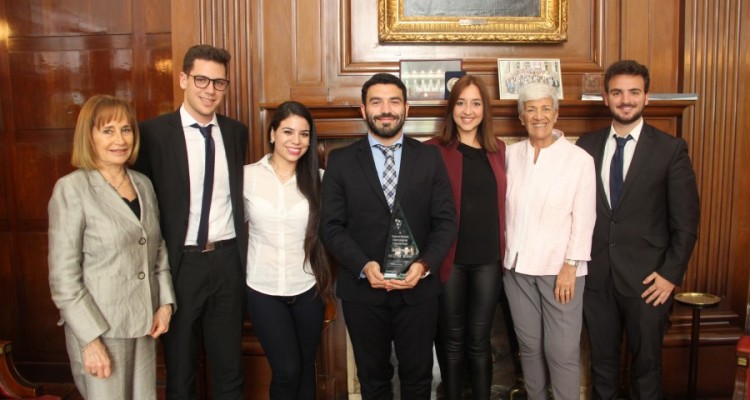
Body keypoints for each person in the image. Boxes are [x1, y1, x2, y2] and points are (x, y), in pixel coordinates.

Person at [320, 73, 457, 400]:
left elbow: (446, 221)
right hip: (363, 292)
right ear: (363, 109)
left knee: (418, 378)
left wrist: (424, 266)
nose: (386, 109)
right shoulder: (340, 161)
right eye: (377, 102)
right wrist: (363, 265)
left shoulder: (430, 157)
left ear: (406, 108)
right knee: (373, 380)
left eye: (394, 101)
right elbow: (330, 226)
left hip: (418, 290)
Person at [576, 60, 700, 400]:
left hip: (649, 282)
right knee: (602, 368)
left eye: (633, 92)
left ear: (646, 97)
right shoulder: (585, 147)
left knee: (646, 369)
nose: (625, 100)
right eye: (617, 92)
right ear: (605, 97)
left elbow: (687, 222)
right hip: (597, 279)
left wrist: (670, 275)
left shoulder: (670, 149)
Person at [133, 44, 248, 400]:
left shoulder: (235, 132)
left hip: (228, 261)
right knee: (181, 370)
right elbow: (141, 206)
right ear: (183, 79)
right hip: (180, 264)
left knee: (229, 367)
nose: (210, 90)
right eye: (201, 79)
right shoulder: (152, 134)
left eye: (219, 82)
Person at [48, 95, 176, 400]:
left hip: (144, 325)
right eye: (108, 131)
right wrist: (89, 340)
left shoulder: (142, 183)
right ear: (88, 137)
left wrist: (165, 303)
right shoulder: (72, 189)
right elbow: (63, 277)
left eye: (126, 130)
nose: (120, 139)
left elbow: (157, 249)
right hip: (100, 330)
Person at [503, 82, 596, 400]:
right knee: (529, 348)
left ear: (556, 114)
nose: (538, 116)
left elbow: (585, 218)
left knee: (561, 352)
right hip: (516, 270)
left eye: (545, 108)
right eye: (530, 109)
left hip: (560, 272)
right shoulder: (510, 155)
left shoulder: (578, 159)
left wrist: (571, 265)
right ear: (521, 117)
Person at [243, 101, 333, 399]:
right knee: (287, 370)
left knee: (306, 368)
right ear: (272, 134)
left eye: (304, 134)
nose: (296, 141)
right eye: (288, 132)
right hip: (263, 289)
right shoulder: (247, 178)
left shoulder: (319, 180)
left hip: (308, 288)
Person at [424, 75, 506, 400]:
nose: (468, 110)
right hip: (450, 261)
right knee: (452, 342)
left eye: (475, 103)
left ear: (484, 109)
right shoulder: (432, 151)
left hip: (488, 260)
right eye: (461, 103)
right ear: (451, 108)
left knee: (479, 341)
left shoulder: (498, 150)